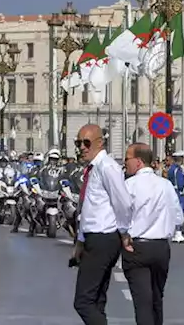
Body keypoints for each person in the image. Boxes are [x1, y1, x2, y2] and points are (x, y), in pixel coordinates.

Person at [71, 124, 132, 325]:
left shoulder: (107, 167)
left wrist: (123, 232)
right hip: (93, 237)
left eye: (86, 143)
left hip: (103, 238)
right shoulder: (93, 169)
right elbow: (89, 210)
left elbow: (123, 202)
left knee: (83, 301)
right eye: (78, 142)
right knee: (96, 300)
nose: (82, 147)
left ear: (100, 142)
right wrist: (80, 242)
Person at [121, 143, 183, 325]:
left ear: (139, 162)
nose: (125, 164)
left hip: (137, 247)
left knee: (142, 303)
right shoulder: (166, 185)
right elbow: (178, 217)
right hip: (161, 248)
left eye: (127, 159)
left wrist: (124, 235)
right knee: (157, 299)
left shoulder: (129, 185)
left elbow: (120, 217)